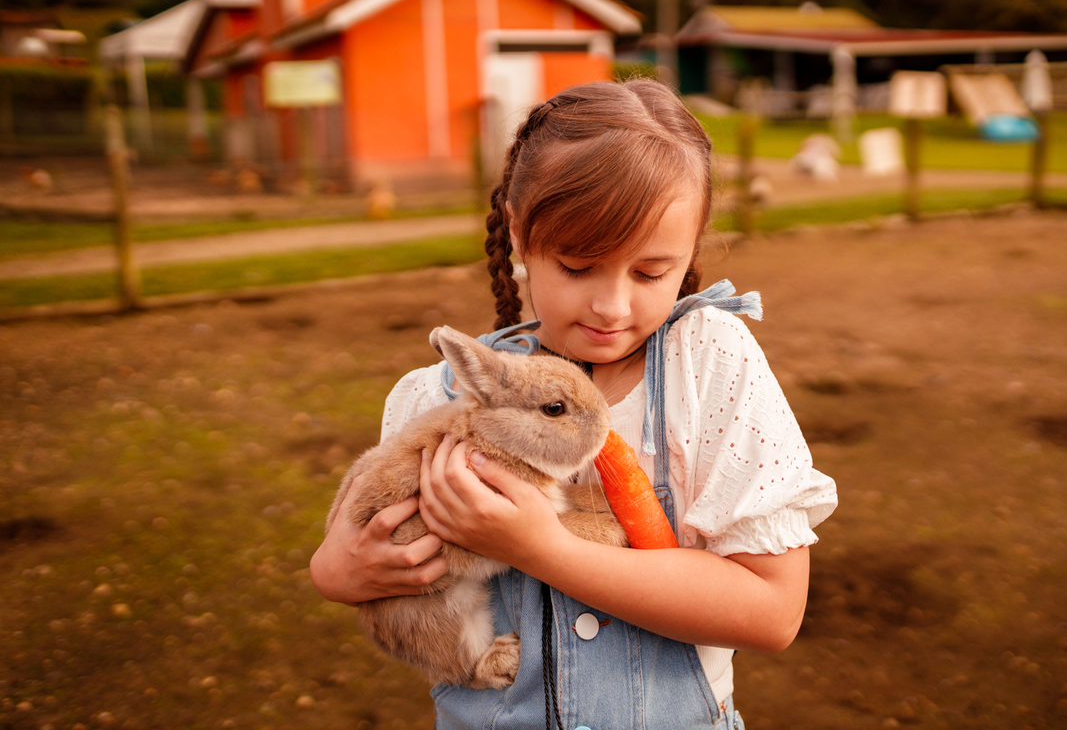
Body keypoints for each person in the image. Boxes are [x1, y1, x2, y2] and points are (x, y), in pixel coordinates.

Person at [310, 78, 838, 730]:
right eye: (578, 266)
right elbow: (352, 559)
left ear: (692, 247)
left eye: (649, 273)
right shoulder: (438, 395)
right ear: (519, 235)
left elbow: (773, 613)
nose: (612, 307)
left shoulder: (710, 364)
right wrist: (337, 572)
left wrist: (543, 549)